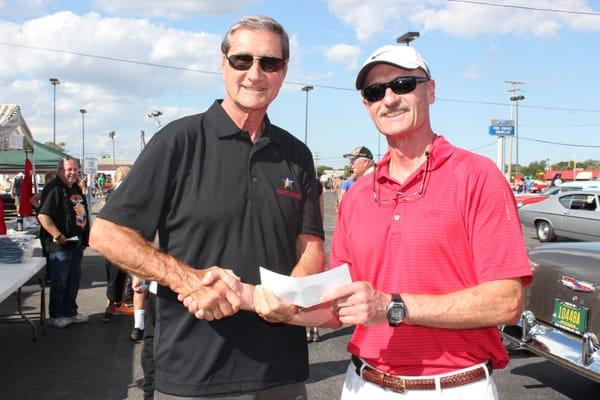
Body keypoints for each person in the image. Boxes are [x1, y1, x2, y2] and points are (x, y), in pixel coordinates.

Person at [89, 15, 328, 399]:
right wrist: (187, 280)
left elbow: (311, 246)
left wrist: (289, 294)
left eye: (270, 62)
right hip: (193, 375)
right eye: (242, 60)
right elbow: (106, 233)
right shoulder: (178, 141)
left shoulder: (296, 154)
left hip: (282, 373)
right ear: (222, 64)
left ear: (283, 72)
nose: (255, 73)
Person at [321, 44, 532, 399]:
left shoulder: (478, 176)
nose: (389, 98)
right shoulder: (357, 195)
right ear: (366, 105)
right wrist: (253, 298)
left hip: (453, 387)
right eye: (375, 92)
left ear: (430, 91)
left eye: (403, 84)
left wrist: (392, 307)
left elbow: (507, 302)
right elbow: (337, 305)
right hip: (363, 384)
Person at [38, 158, 90, 329]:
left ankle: (70, 312)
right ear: (60, 170)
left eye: (75, 169)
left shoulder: (76, 188)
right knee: (60, 280)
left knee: (73, 279)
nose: (73, 172)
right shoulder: (53, 189)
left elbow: (82, 213)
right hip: (60, 244)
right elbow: (43, 216)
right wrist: (58, 235)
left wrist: (85, 237)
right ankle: (56, 315)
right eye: (69, 169)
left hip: (76, 242)